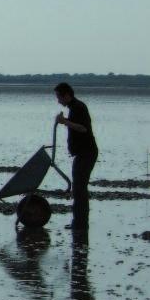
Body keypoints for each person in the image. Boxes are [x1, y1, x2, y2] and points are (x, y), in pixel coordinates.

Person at [54, 82, 98, 230]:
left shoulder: (78, 107)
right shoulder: (74, 108)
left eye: (59, 97)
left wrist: (64, 121)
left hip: (87, 153)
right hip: (82, 154)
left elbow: (83, 128)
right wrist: (65, 120)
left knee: (79, 188)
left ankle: (80, 222)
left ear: (66, 95)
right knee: (78, 188)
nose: (58, 101)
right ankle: (79, 222)